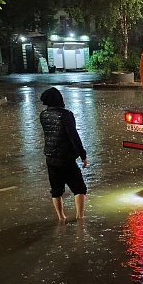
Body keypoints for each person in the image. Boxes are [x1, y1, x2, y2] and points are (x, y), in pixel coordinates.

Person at [39, 87, 88, 221]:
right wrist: (83, 155)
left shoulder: (43, 115)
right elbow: (74, 136)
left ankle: (61, 218)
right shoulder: (66, 115)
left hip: (50, 158)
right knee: (79, 188)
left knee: (56, 190)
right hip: (66, 159)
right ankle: (80, 217)